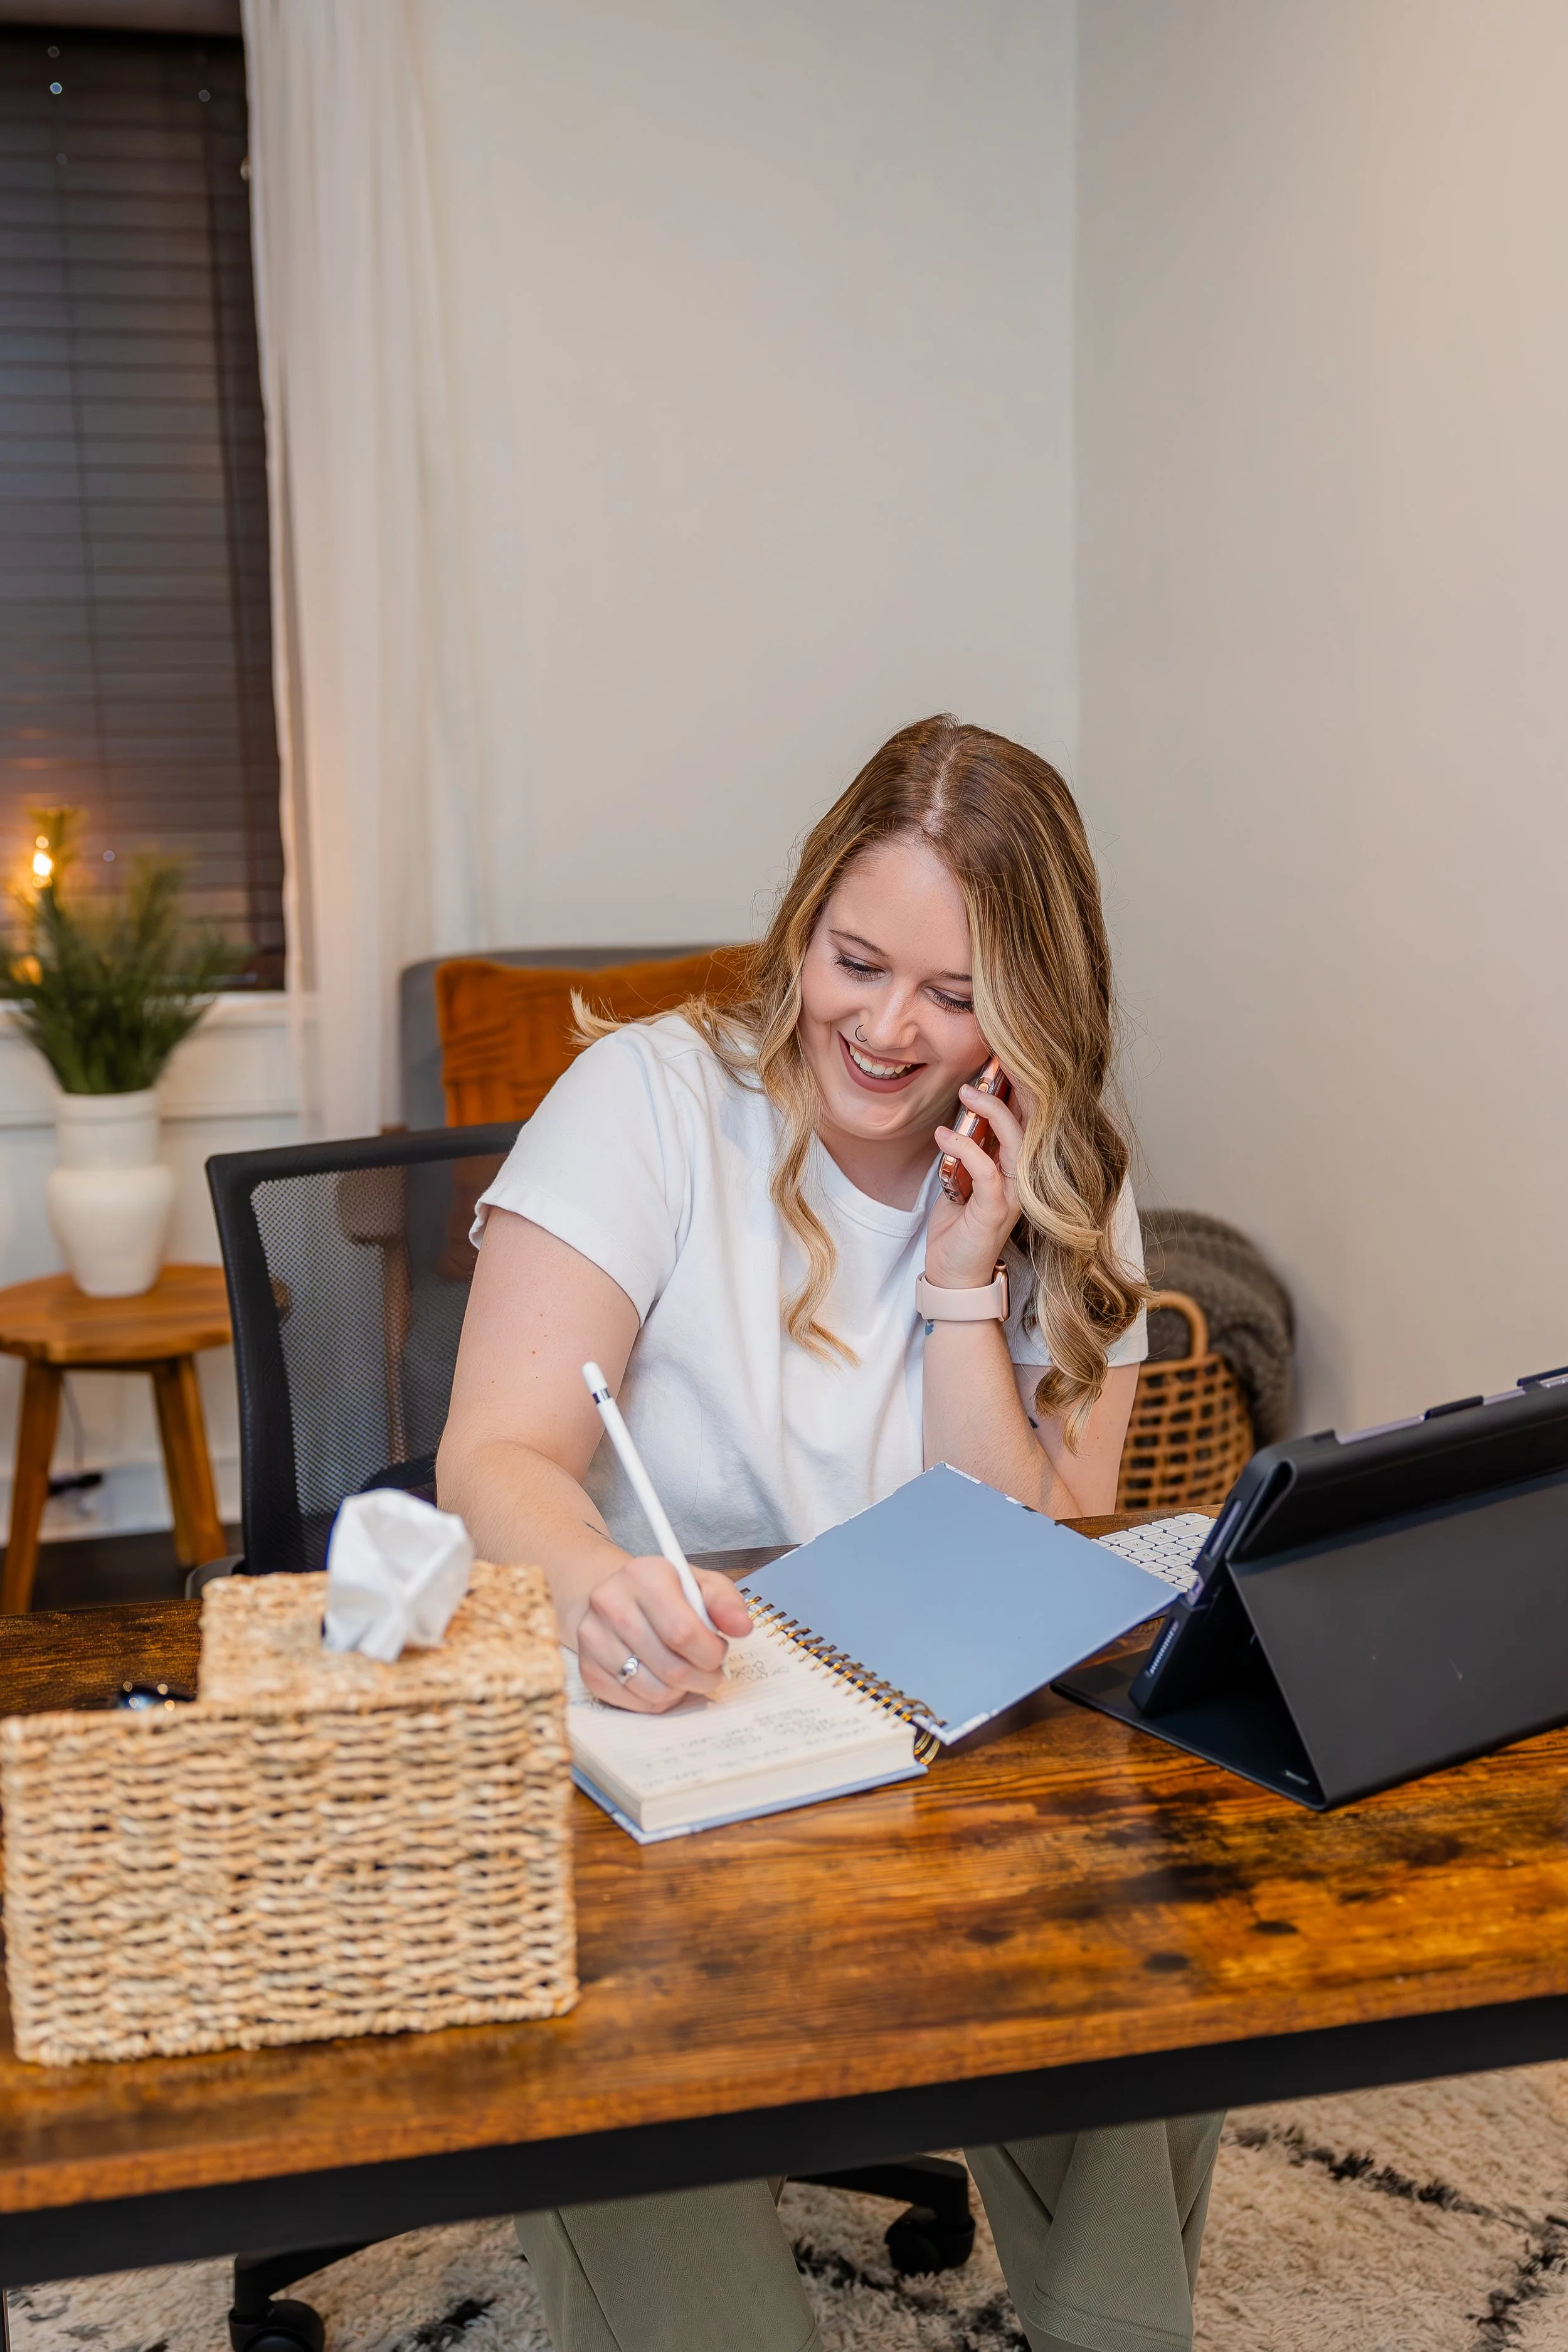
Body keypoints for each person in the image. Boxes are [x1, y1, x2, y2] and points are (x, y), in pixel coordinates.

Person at [438, 714, 1222, 2352]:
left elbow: (1044, 1551)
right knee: (612, 2053)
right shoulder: (645, 1102)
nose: (882, 1026)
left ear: (1026, 1008)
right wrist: (597, 1580)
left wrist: (959, 1284)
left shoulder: (1061, 1165)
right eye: (854, 961)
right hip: (681, 1707)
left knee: (1160, 1946)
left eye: (951, 996)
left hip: (939, 1738)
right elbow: (495, 1455)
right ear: (803, 920)